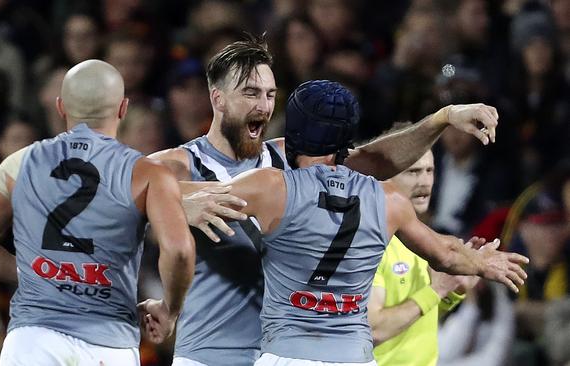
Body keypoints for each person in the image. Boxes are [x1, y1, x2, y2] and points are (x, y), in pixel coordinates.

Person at [150, 35, 501, 366]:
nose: (263, 105)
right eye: (251, 93)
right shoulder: (177, 166)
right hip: (212, 354)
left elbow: (376, 161)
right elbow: (113, 195)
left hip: (282, 351)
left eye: (271, 95)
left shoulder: (287, 162)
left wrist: (442, 119)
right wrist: (173, 200)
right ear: (218, 98)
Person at [0, 59, 196, 365]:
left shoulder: (19, 163)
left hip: (32, 341)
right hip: (108, 344)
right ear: (123, 108)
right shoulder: (148, 173)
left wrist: (43, 274)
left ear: (61, 107)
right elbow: (179, 251)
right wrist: (169, 310)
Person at [368, 148, 479, 366]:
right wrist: (436, 290)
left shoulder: (424, 240)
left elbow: (414, 320)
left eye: (430, 171)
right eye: (413, 172)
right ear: (384, 178)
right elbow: (374, 330)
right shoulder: (371, 243)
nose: (424, 181)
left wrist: (454, 288)